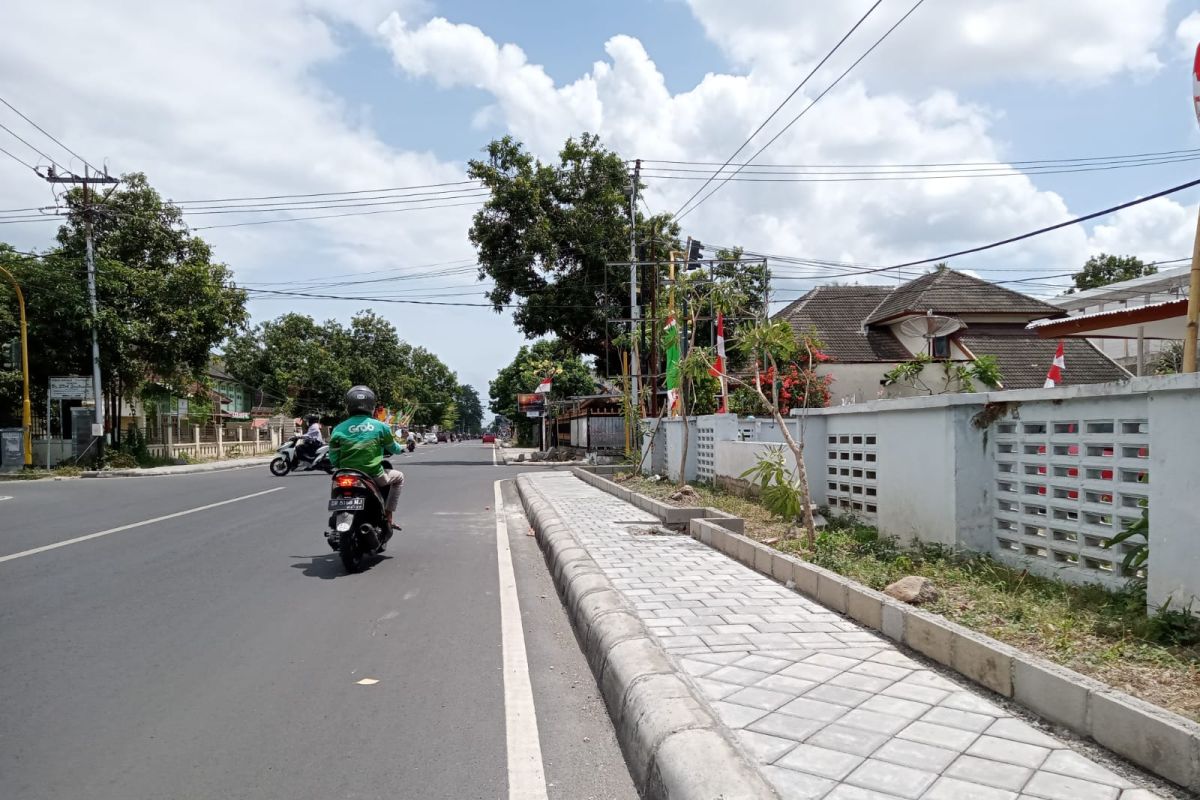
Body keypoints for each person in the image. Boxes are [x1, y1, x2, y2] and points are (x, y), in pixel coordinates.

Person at [328, 386, 404, 529]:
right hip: (373, 473)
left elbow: (333, 457)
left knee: (335, 484)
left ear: (348, 405)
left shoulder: (339, 428)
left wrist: (339, 464)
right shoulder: (380, 427)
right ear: (371, 405)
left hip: (345, 472)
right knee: (399, 477)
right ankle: (388, 516)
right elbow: (393, 447)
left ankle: (337, 512)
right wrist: (402, 449)